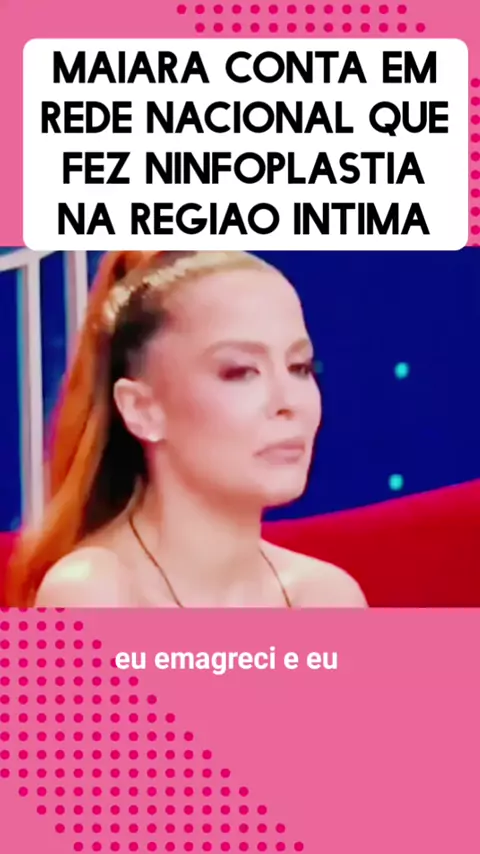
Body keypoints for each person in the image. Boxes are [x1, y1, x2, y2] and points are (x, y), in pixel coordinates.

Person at [8, 250, 367, 608]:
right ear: (142, 409)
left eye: (300, 367)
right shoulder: (87, 592)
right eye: (240, 371)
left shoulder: (330, 597)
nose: (289, 402)